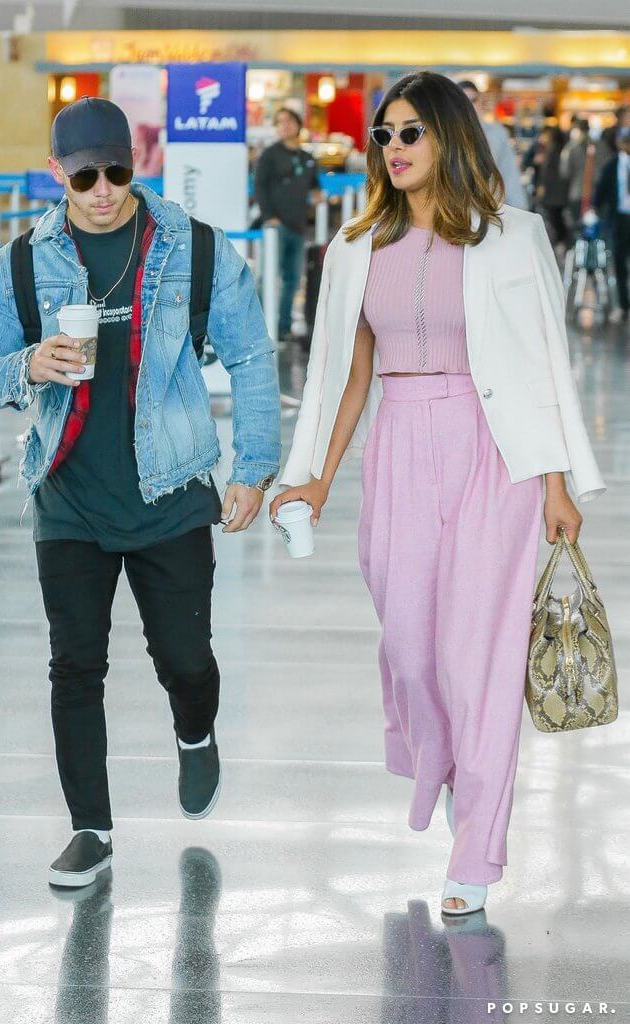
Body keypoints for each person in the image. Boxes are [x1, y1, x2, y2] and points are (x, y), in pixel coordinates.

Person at [271, 71, 605, 917]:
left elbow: (541, 362)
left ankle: (477, 850)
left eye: (410, 132)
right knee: (411, 652)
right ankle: (449, 768)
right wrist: (315, 477)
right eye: (384, 135)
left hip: (495, 455)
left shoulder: (512, 236)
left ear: (449, 137)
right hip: (398, 448)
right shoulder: (355, 246)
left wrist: (556, 482)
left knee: (478, 656)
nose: (393, 148)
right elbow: (347, 377)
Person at [0, 97, 281, 888]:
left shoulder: (194, 248)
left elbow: (250, 357)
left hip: (170, 487)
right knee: (75, 666)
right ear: (56, 173)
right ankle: (90, 831)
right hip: (68, 494)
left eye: (116, 172)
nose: (102, 190)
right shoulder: (21, 264)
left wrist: (252, 467)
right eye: (84, 176)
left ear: (137, 165)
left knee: (185, 660)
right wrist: (27, 365)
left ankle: (195, 732)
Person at [254, 107, 325, 340]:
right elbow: (260, 187)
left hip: (298, 226)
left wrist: (317, 195)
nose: (285, 125)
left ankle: (283, 328)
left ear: (298, 124)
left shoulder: (307, 157)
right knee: (268, 276)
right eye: (280, 122)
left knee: (292, 280)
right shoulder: (269, 155)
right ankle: (258, 328)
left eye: (289, 121)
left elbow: (314, 185)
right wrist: (269, 217)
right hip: (276, 227)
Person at [458, 80, 528, 210]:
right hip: (458, 210)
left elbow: (509, 173)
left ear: (480, 101)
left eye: (473, 100)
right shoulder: (447, 135)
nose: (469, 106)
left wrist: (520, 210)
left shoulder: (497, 133)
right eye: (463, 102)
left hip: (491, 210)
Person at [593, 125, 630, 323]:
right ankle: (623, 305)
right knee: (620, 263)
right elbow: (600, 193)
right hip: (620, 220)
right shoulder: (612, 165)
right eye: (625, 141)